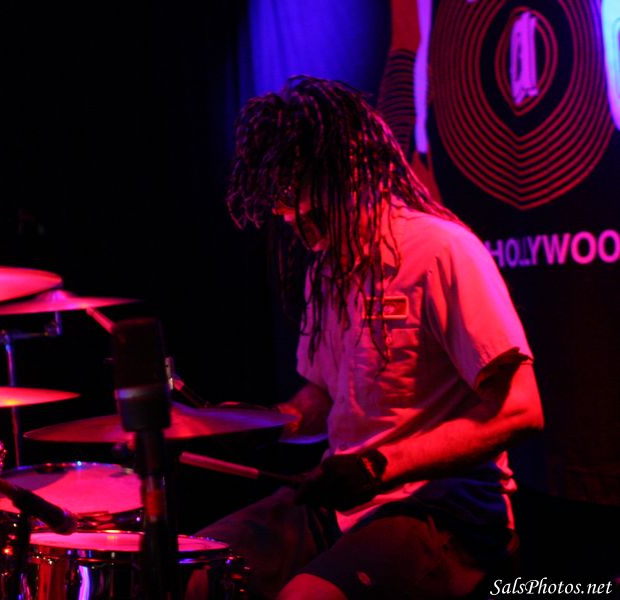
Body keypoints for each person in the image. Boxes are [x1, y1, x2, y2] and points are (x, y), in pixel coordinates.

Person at [197, 76, 544, 599]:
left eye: (302, 202)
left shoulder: (441, 251)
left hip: (445, 507)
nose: (291, 220)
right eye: (283, 205)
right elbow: (324, 400)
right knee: (199, 568)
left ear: (351, 172)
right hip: (349, 503)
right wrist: (259, 424)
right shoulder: (327, 269)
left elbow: (520, 410)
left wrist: (379, 465)